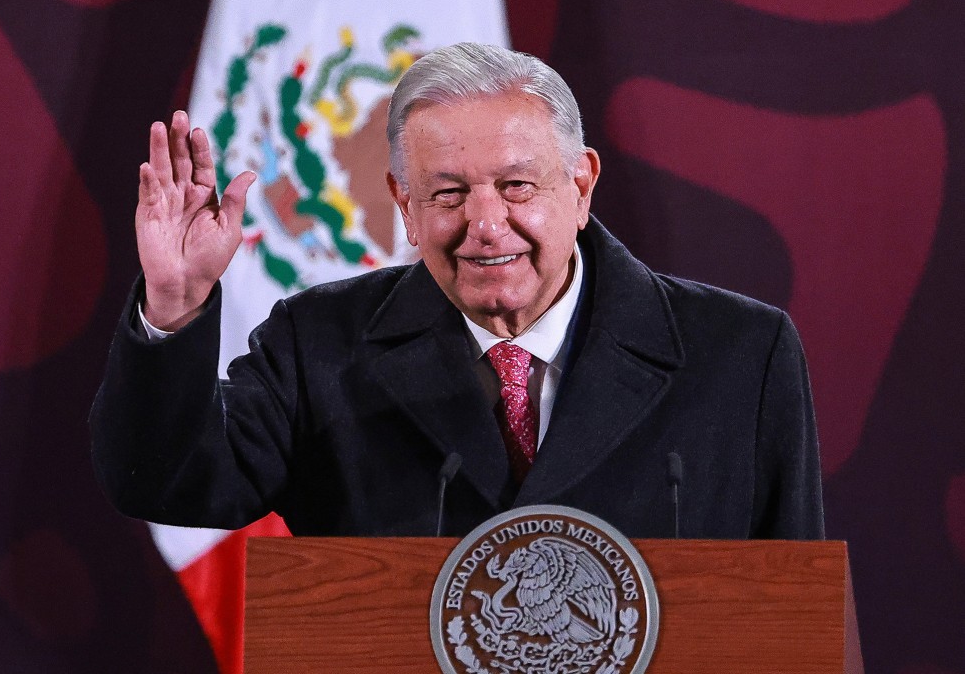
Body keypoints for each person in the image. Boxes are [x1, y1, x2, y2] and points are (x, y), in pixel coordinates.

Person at [90, 42, 824, 539]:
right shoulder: (318, 344)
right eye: (446, 194)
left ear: (581, 185)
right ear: (402, 206)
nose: (484, 223)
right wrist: (176, 303)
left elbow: (792, 608)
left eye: (516, 186)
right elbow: (163, 483)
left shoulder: (741, 355)